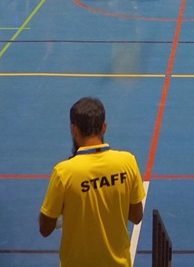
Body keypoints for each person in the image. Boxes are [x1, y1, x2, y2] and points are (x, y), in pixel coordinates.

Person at [38, 97, 145, 267]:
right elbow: (136, 216)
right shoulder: (127, 162)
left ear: (74, 130)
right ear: (104, 127)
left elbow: (45, 228)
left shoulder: (64, 172)